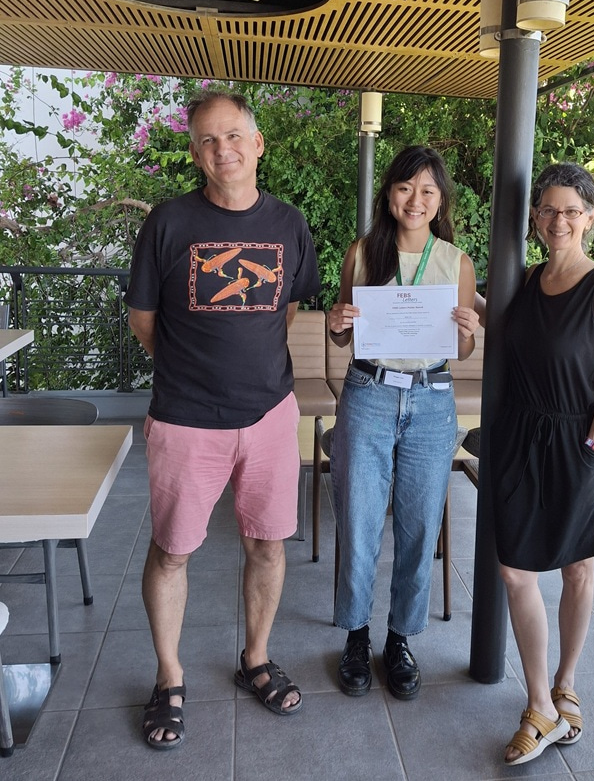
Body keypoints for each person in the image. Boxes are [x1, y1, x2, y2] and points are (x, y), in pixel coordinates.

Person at [125, 89, 320, 750]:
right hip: (185, 418)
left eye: (234, 135)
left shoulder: (290, 224)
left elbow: (285, 311)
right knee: (173, 552)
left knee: (268, 545)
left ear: (258, 144)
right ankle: (169, 676)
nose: (222, 149)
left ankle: (256, 658)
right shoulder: (169, 224)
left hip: (269, 416)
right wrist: (191, 372)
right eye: (208, 140)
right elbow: (144, 320)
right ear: (196, 154)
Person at [490, 163, 594, 765]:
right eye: (548, 210)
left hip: (580, 443)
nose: (558, 221)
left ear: (591, 218)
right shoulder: (523, 280)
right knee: (514, 570)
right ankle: (540, 702)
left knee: (577, 570)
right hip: (521, 435)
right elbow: (502, 324)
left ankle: (564, 686)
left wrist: (593, 448)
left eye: (571, 210)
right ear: (536, 217)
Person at [327, 145, 480, 700]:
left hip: (432, 399)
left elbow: (460, 351)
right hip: (368, 394)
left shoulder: (456, 261)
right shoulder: (363, 252)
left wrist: (467, 328)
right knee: (359, 519)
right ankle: (355, 634)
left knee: (419, 526)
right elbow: (342, 335)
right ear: (389, 194)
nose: (415, 200)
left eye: (428, 191)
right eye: (405, 188)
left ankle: (399, 639)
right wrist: (338, 321)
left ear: (440, 202)